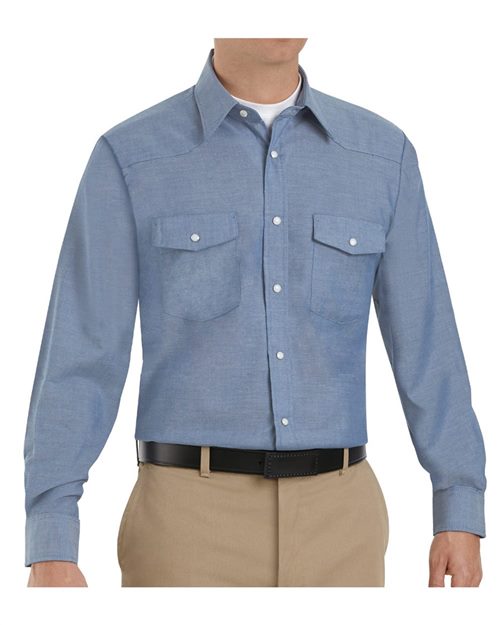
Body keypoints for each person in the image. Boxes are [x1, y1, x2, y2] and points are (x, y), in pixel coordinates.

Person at [24, 38, 486, 587]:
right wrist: (52, 537)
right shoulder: (131, 157)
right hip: (184, 528)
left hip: (343, 525)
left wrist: (459, 505)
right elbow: (82, 352)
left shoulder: (383, 157)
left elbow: (428, 346)